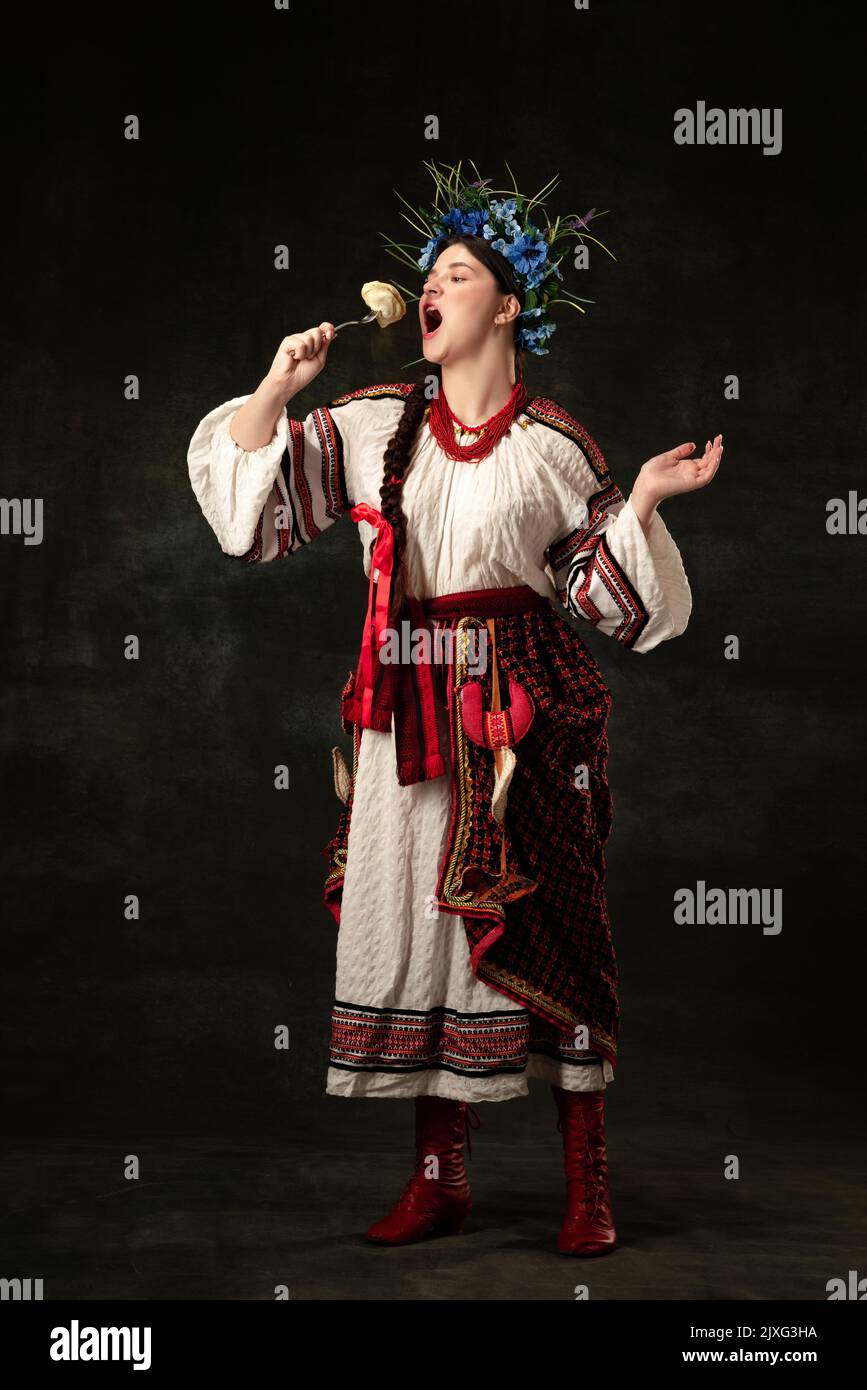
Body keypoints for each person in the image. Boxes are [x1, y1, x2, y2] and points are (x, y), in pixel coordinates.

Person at [186, 160, 722, 1256]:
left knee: (555, 929)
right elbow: (254, 516)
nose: (430, 290)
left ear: (509, 304)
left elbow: (605, 600)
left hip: (517, 717)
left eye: (459, 272)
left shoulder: (550, 445)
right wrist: (277, 387)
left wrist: (652, 502)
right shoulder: (377, 423)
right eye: (427, 276)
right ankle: (441, 1183)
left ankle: (588, 1188)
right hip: (401, 709)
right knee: (428, 935)